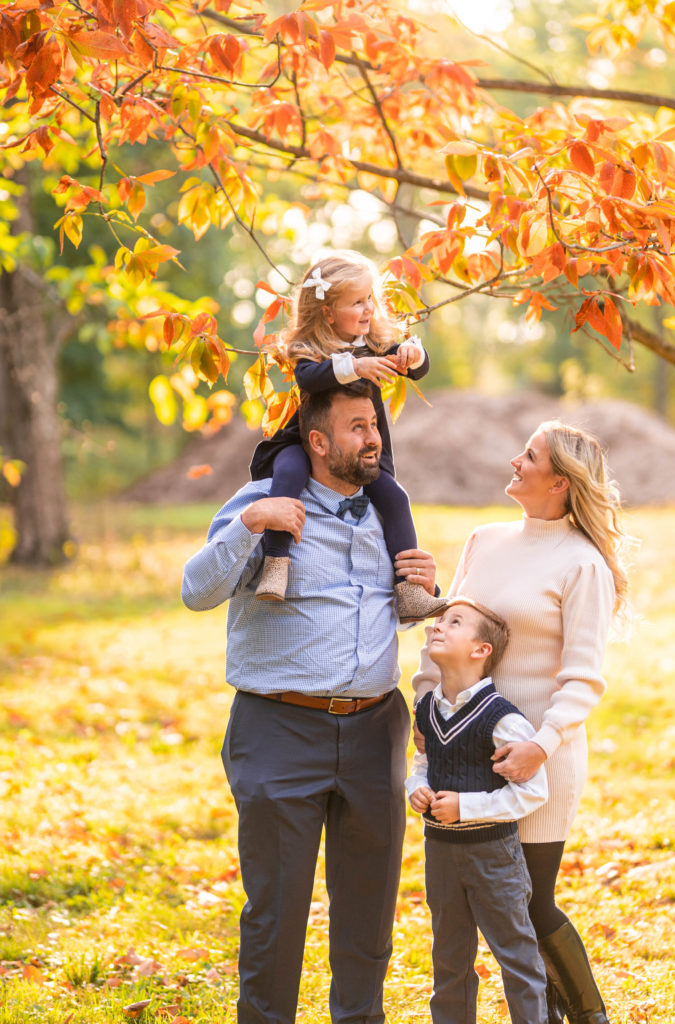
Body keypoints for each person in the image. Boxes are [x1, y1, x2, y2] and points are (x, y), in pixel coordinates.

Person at [182, 381, 440, 1024]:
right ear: (318, 441)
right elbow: (195, 590)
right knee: (276, 911)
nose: (373, 436)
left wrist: (429, 586)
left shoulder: (386, 510)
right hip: (279, 729)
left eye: (374, 423)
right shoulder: (266, 501)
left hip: (375, 729)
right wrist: (248, 526)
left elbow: (388, 615)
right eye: (357, 426)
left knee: (369, 912)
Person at [412, 421, 630, 1024]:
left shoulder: (582, 564)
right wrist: (426, 705)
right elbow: (450, 627)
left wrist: (541, 744)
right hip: (464, 745)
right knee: (487, 908)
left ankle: (586, 1015)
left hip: (539, 755)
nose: (514, 459)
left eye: (528, 455)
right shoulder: (485, 539)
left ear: (559, 481)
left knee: (529, 904)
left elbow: (584, 676)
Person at [249, 249, 447, 622]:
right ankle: (276, 563)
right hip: (302, 440)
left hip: (356, 450)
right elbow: (310, 378)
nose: (368, 308)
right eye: (357, 302)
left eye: (370, 298)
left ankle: (409, 591)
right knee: (287, 476)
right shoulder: (310, 351)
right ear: (327, 312)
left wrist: (411, 353)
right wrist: (355, 366)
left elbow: (418, 370)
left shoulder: (374, 344)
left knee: (395, 498)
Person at [407, 597, 549, 1024]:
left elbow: (531, 792)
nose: (438, 627)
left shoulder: (502, 718)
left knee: (517, 957)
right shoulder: (427, 708)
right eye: (440, 620)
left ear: (480, 650)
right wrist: (416, 789)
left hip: (493, 857)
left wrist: (465, 807)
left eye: (454, 622)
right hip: (442, 854)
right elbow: (422, 766)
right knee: (448, 958)